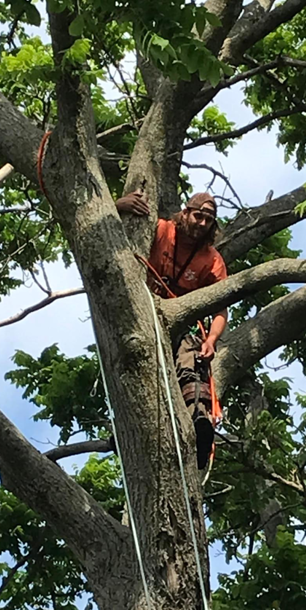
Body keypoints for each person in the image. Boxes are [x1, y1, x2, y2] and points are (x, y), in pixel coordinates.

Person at [116, 190, 228, 468]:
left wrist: (212, 340)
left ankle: (198, 421)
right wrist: (119, 205)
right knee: (132, 366)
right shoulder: (160, 229)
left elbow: (221, 308)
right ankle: (123, 428)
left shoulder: (212, 260)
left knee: (191, 357)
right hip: (140, 310)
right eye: (198, 216)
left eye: (209, 220)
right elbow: (111, 233)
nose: (202, 223)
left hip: (178, 320)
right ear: (186, 213)